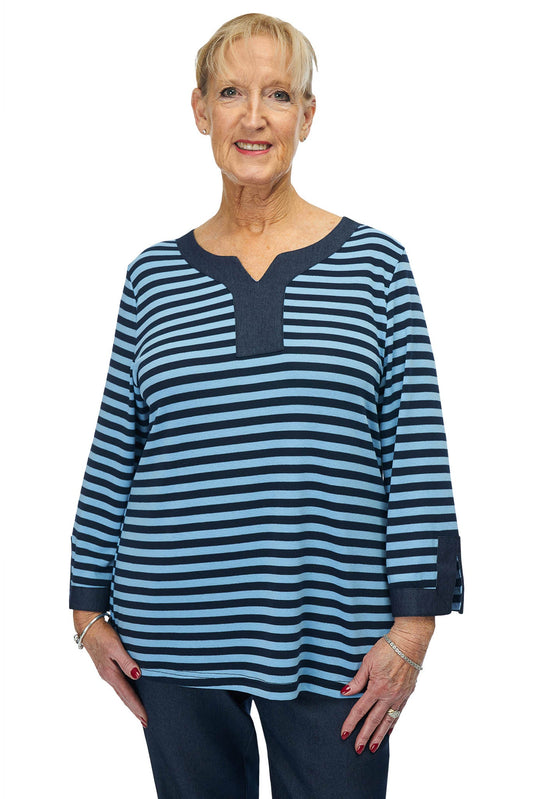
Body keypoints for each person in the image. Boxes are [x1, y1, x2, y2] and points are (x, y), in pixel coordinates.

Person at [69, 12, 464, 799]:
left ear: (306, 117)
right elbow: (117, 446)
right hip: (170, 627)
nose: (253, 116)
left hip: (336, 631)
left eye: (278, 95)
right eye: (231, 93)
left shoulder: (375, 265)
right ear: (199, 110)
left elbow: (415, 446)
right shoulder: (152, 277)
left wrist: (415, 626)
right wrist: (85, 609)